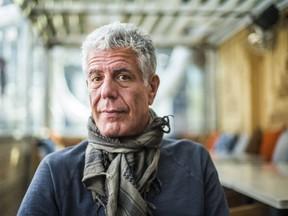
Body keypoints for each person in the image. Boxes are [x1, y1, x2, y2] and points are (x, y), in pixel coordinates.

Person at [18, 22, 229, 216]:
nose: (107, 91)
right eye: (96, 78)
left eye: (123, 76)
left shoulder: (194, 161)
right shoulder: (56, 172)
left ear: (152, 89)